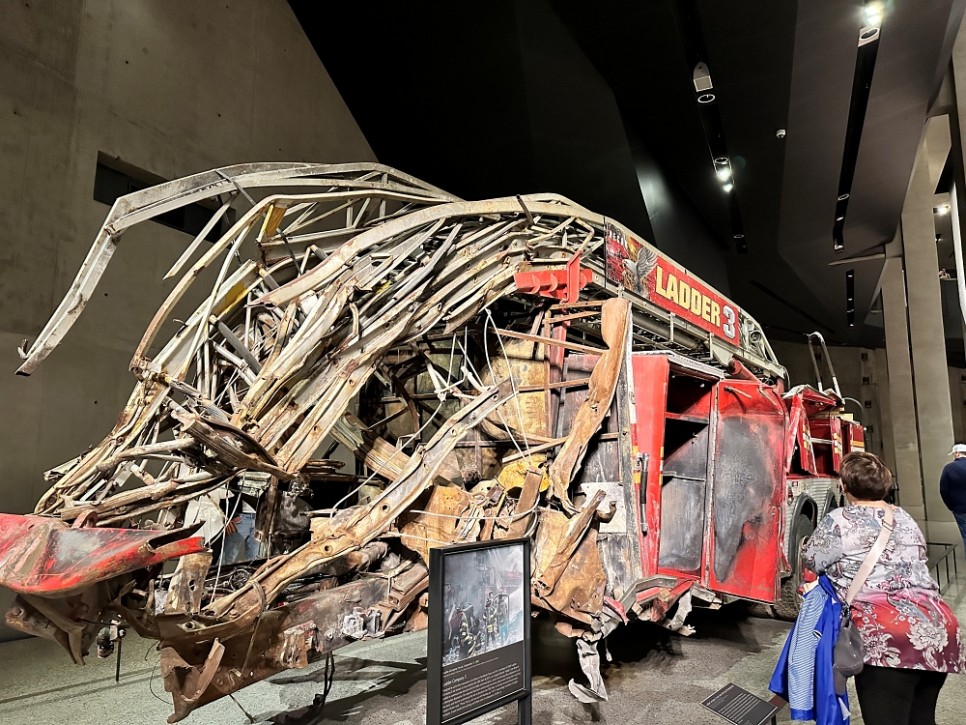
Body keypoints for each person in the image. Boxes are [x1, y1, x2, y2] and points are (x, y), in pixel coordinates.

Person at [803, 451, 965, 725]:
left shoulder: (840, 520)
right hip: (939, 630)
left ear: (845, 486)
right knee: (921, 719)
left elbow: (813, 560)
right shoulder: (903, 518)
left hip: (889, 636)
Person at [940, 442, 966, 556]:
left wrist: (951, 506)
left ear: (956, 453)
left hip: (960, 507)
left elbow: (943, 490)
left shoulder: (949, 468)